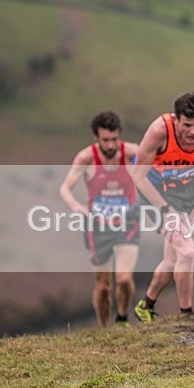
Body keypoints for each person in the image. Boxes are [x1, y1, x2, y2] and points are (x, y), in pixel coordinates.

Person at [131, 92, 194, 321]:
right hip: (153, 191)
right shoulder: (159, 131)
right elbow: (138, 176)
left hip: (184, 191)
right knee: (187, 252)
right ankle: (186, 316)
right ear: (175, 120)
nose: (192, 132)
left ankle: (146, 305)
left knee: (173, 260)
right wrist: (165, 210)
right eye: (186, 125)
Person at [60, 111, 140, 328]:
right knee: (103, 287)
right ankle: (104, 330)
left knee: (124, 279)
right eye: (105, 140)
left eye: (114, 139)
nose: (111, 145)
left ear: (119, 134)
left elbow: (155, 167)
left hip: (127, 222)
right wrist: (76, 207)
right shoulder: (86, 158)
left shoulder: (132, 152)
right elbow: (65, 188)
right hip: (96, 226)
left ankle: (122, 318)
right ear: (96, 138)